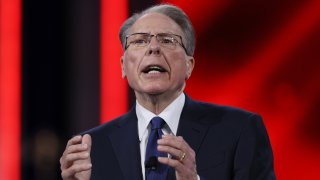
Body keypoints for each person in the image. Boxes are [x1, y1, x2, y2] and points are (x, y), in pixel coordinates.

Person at [60, 4, 276, 180]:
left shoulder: (239, 130)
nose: (153, 47)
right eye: (140, 41)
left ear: (189, 66)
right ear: (123, 66)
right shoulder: (91, 148)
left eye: (167, 40)